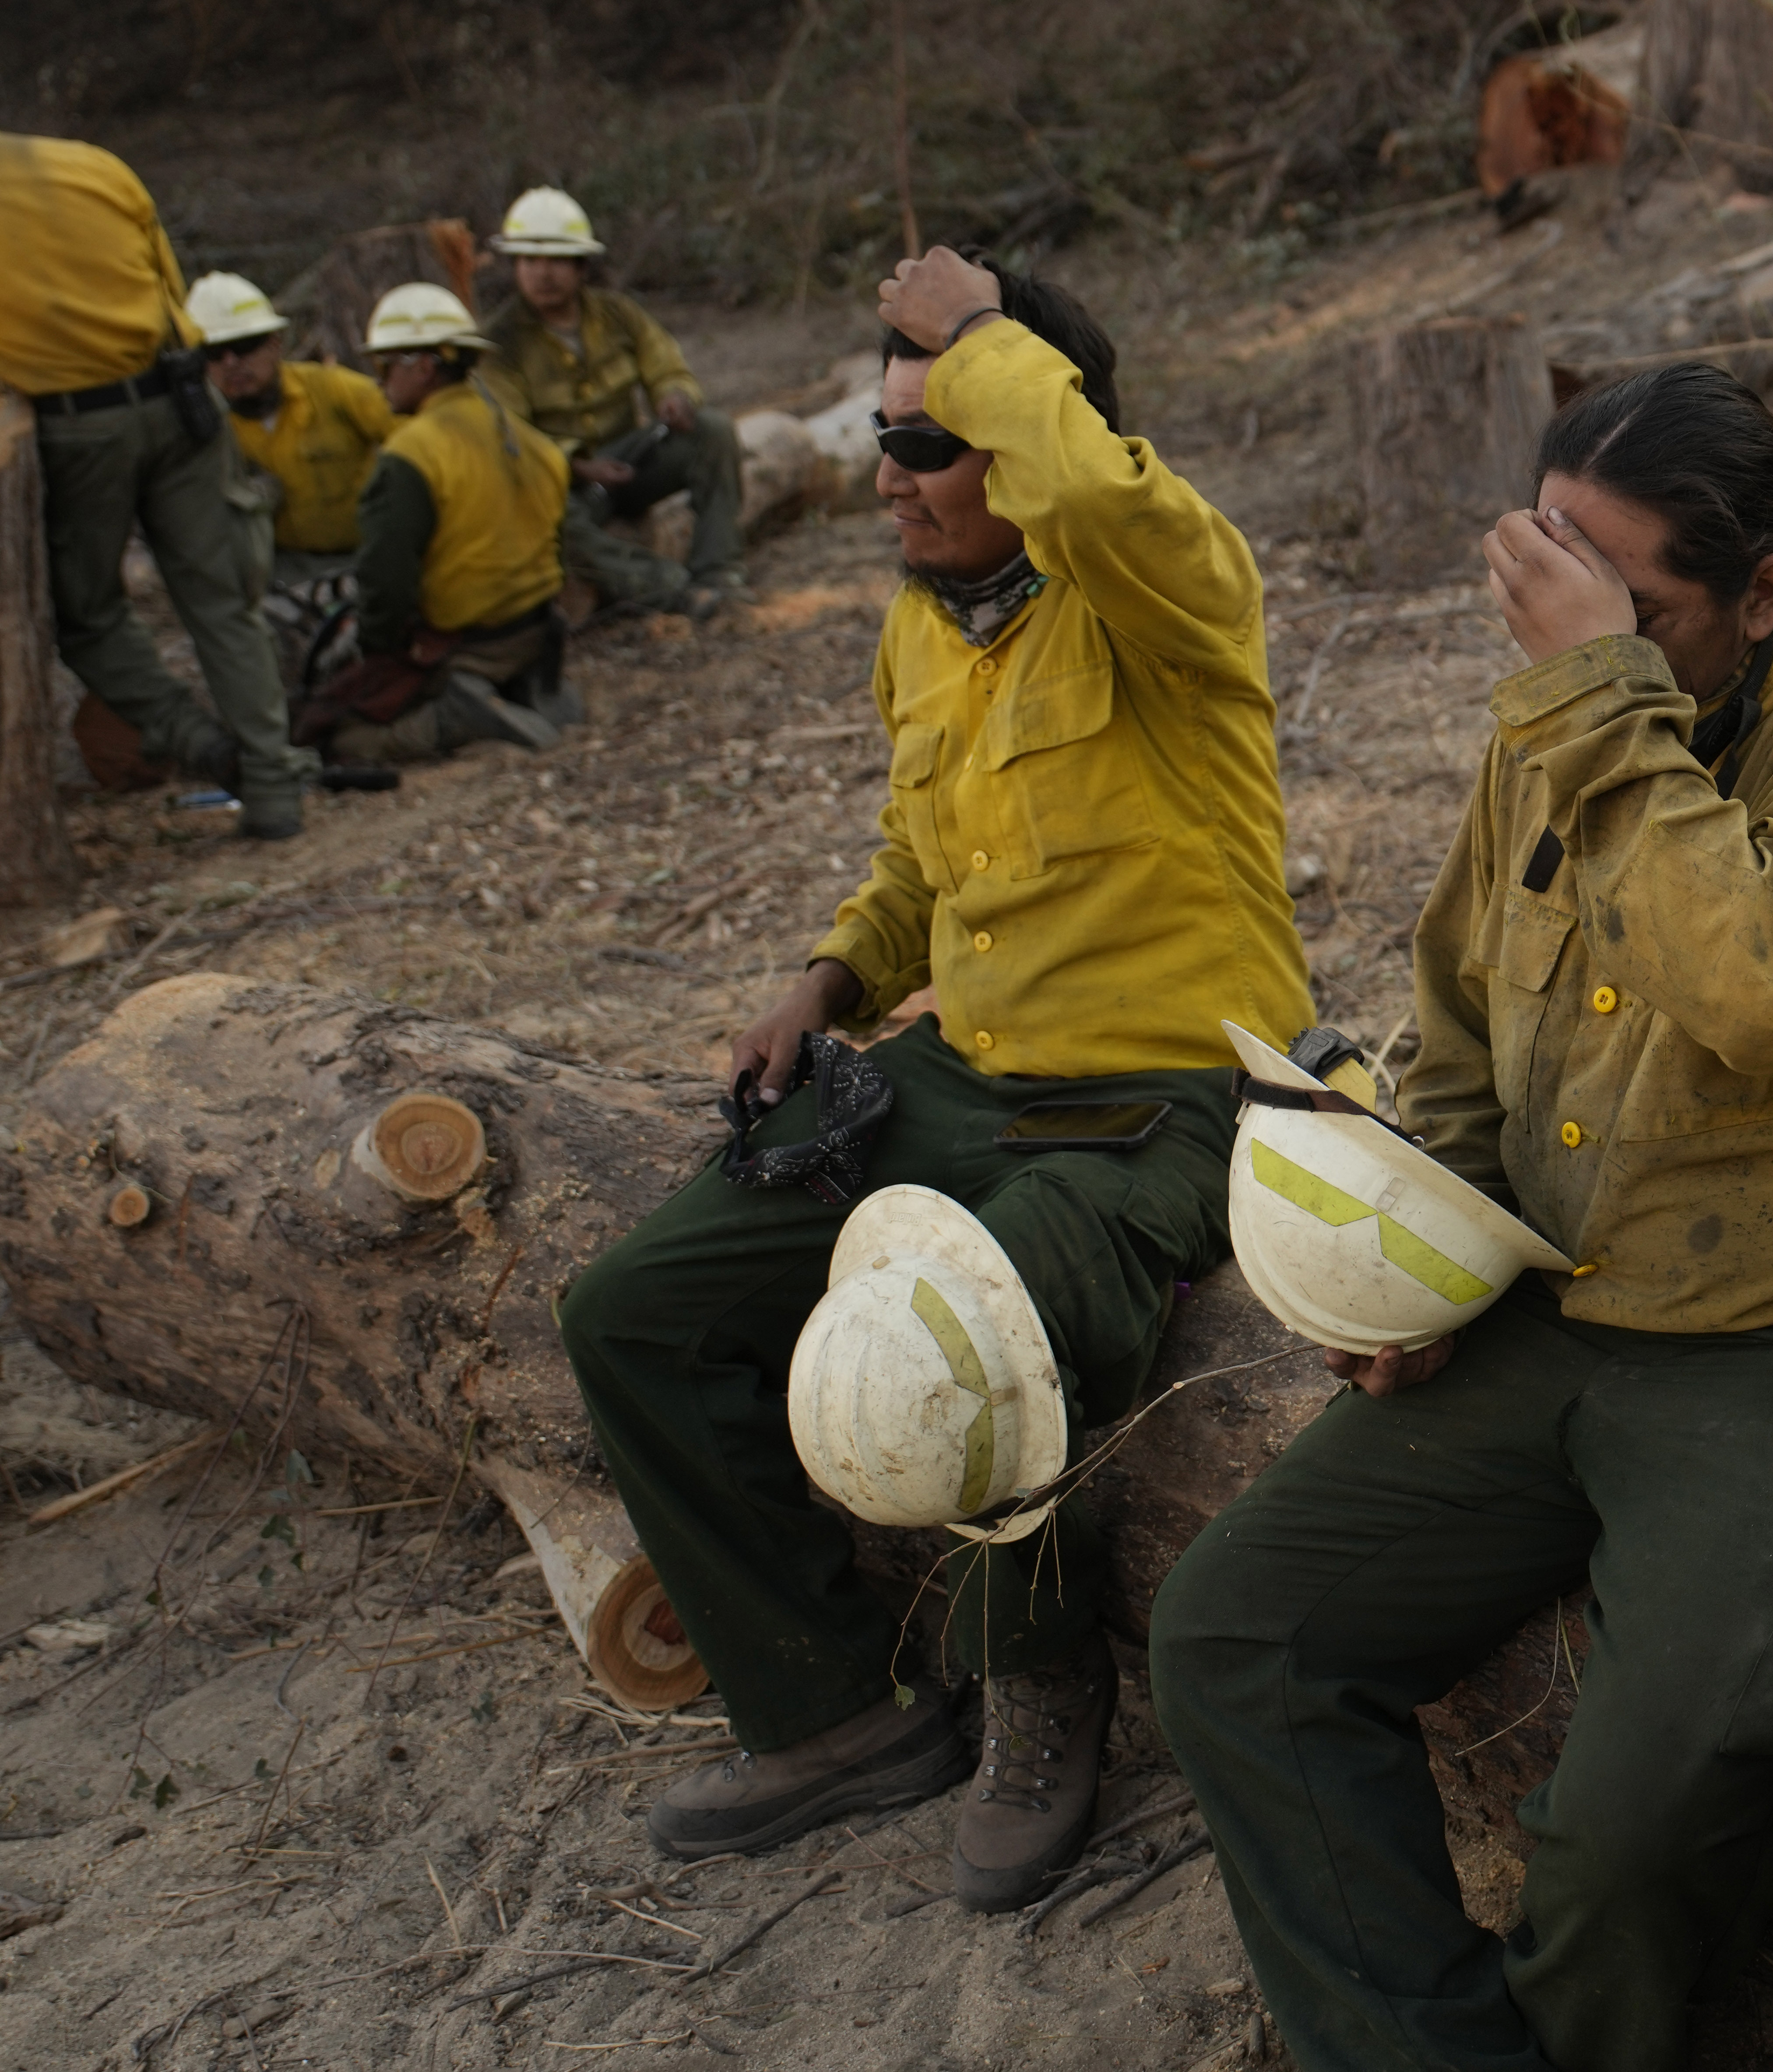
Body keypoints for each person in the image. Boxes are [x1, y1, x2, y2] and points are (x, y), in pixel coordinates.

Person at [1148, 362, 1773, 2072]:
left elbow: (1767, 986)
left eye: (1627, 606)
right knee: (1232, 1637)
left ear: (1762, 594)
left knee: (1629, 1828)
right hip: (1561, 1306)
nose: (1574, 632)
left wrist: (1589, 697)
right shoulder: (1566, 730)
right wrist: (1407, 1260)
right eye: (1551, 579)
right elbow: (1465, 1036)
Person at [558, 246, 1310, 1913]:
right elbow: (920, 861)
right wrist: (822, 981)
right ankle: (830, 1706)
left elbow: (1106, 507)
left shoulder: (1163, 592)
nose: (888, 483)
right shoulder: (922, 631)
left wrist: (979, 335)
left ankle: (1042, 1682)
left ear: (1030, 439)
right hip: (966, 1072)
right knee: (634, 1305)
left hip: (1166, 1093)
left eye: (928, 442)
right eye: (883, 443)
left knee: (1000, 1307)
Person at [0, 132, 315, 839]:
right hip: (179, 402)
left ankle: (199, 744)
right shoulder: (93, 165)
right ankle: (273, 788)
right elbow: (172, 294)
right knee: (223, 604)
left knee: (86, 616)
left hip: (74, 426)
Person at [303, 285, 573, 765]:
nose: (380, 380)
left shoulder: (413, 454)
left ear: (423, 366)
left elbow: (386, 579)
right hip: (536, 626)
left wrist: (376, 651)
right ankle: (523, 687)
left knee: (336, 736)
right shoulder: (526, 437)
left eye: (386, 366)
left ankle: (455, 717)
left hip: (465, 641)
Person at [479, 186, 745, 618]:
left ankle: (720, 574)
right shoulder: (499, 343)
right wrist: (578, 466)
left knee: (713, 430)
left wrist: (674, 396)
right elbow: (513, 435)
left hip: (631, 460)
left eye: (558, 261)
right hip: (560, 480)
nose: (544, 274)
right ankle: (672, 591)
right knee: (545, 517)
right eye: (530, 261)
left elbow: (667, 365)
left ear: (581, 266)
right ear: (515, 266)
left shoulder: (618, 314)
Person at [191, 271, 393, 590]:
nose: (230, 363)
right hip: (281, 576)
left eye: (243, 346)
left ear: (275, 344)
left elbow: (420, 437)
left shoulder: (332, 390)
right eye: (213, 353)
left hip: (368, 557)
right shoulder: (206, 431)